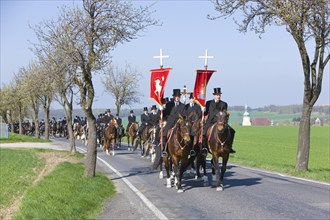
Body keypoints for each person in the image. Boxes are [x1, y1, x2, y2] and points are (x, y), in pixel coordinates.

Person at [202, 88, 236, 155]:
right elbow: (206, 113)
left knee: (232, 131)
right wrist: (203, 110)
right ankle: (204, 148)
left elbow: (224, 114)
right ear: (214, 95)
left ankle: (230, 147)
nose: (218, 96)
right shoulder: (208, 103)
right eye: (217, 95)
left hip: (220, 122)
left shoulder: (224, 104)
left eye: (219, 95)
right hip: (210, 122)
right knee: (204, 133)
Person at [157, 89, 186, 156]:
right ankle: (164, 149)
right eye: (176, 96)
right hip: (170, 123)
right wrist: (161, 109)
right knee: (165, 132)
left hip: (179, 123)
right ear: (173, 97)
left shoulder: (182, 106)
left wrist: (181, 119)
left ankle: (186, 149)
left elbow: (184, 115)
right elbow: (164, 114)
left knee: (186, 134)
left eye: (178, 96)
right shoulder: (169, 105)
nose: (177, 97)